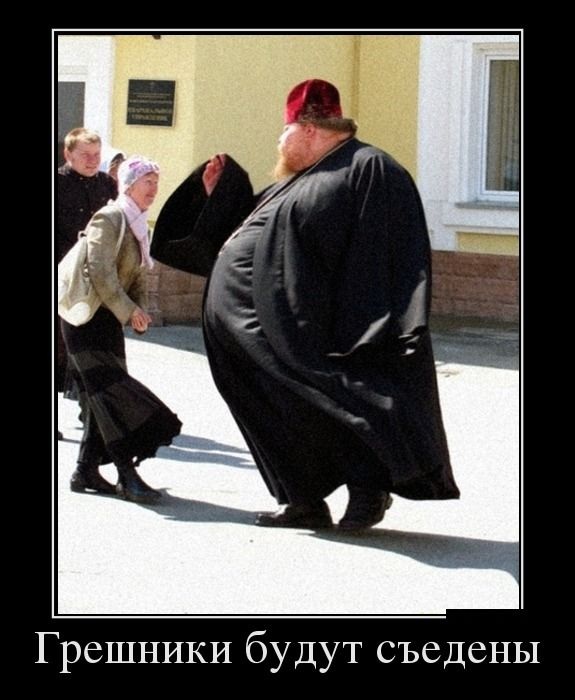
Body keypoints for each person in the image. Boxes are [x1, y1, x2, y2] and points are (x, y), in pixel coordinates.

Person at [151, 78, 459, 531]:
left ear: (309, 128)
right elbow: (250, 231)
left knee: (332, 401)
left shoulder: (368, 167)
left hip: (309, 330)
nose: (279, 142)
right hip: (254, 331)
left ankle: (368, 488)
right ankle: (303, 499)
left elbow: (385, 249)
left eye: (285, 131)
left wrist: (366, 322)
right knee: (272, 405)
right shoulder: (298, 181)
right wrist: (218, 196)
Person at [60, 155, 182, 504]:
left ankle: (85, 470)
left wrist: (137, 312)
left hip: (108, 320)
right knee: (112, 397)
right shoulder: (110, 217)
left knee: (101, 398)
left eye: (156, 182)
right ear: (129, 185)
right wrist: (129, 310)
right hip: (84, 320)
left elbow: (138, 275)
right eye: (147, 182)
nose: (153, 189)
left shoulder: (139, 224)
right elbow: (99, 271)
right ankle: (127, 477)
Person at [57, 129, 118, 439]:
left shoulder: (107, 184)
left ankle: (90, 412)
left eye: (97, 155)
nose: (93, 161)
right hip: (60, 274)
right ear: (68, 155)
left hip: (93, 278)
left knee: (87, 348)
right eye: (85, 155)